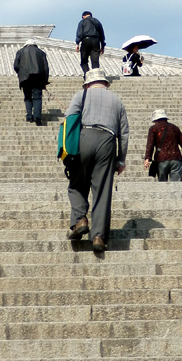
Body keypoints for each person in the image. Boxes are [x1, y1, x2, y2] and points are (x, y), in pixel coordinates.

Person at [64, 67, 129, 253]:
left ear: (88, 83)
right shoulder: (117, 101)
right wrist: (121, 159)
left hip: (84, 138)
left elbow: (69, 121)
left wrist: (67, 151)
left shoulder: (80, 95)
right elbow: (124, 133)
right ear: (106, 84)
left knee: (76, 183)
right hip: (108, 142)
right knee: (102, 191)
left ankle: (80, 220)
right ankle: (99, 237)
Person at [144, 109, 182, 182]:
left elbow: (150, 144)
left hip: (161, 160)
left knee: (163, 184)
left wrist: (147, 158)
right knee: (176, 185)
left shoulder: (153, 129)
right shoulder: (174, 128)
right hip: (176, 159)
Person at [13, 39, 49, 125]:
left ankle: (29, 116)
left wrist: (20, 73)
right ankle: (37, 117)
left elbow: (16, 66)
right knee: (37, 97)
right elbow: (46, 68)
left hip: (25, 78)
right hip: (38, 78)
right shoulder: (41, 53)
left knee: (28, 97)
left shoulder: (20, 52)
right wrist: (45, 81)